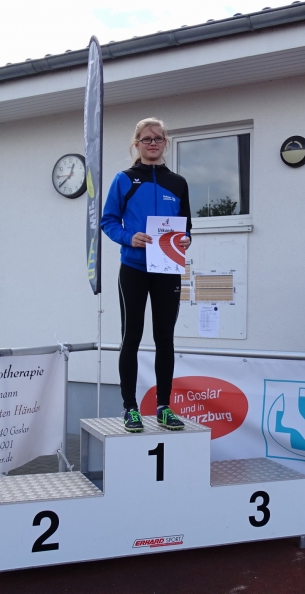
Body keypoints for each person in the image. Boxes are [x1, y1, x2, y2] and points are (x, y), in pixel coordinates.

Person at [100, 118, 192, 432]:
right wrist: (129, 237)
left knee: (165, 339)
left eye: (158, 138)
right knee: (132, 338)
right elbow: (108, 221)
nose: (152, 143)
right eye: (146, 139)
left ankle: (164, 407)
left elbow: (186, 227)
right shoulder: (124, 179)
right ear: (136, 144)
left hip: (167, 269)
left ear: (165, 142)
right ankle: (130, 408)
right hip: (134, 269)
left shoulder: (178, 183)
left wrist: (185, 240)